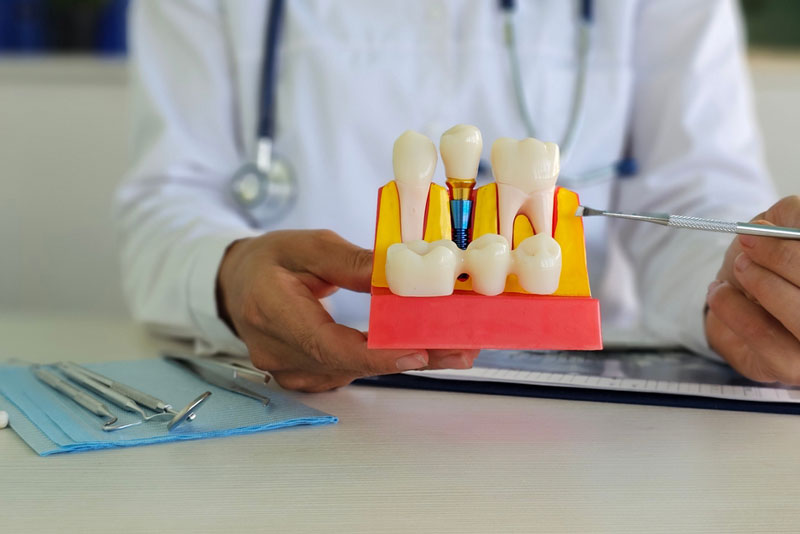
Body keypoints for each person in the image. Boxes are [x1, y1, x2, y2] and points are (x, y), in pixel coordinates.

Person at [115, 0, 798, 392]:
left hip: (578, 416)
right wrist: (230, 271)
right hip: (295, 414)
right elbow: (169, 202)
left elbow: (697, 194)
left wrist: (747, 291)